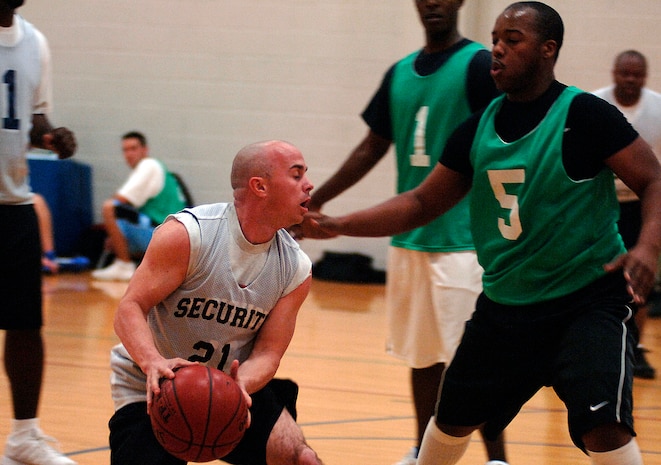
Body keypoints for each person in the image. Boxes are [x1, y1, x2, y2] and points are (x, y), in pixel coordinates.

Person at [302, 3, 661, 465]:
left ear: (548, 50)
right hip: (506, 306)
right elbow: (420, 203)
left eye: (513, 41)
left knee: (603, 426)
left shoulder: (586, 114)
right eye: (495, 38)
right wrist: (337, 224)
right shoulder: (479, 127)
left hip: (587, 299)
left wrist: (648, 246)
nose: (497, 49)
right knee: (449, 420)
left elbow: (653, 179)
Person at [295, 1, 506, 464]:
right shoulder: (399, 72)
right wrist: (318, 199)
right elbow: (372, 145)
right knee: (422, 357)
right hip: (409, 239)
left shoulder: (475, 64)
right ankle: (420, 452)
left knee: (475, 363)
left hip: (465, 241)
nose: (434, 2)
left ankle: (497, 458)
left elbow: (503, 138)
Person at [108, 140, 324, 465]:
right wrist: (152, 361)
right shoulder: (188, 236)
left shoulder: (295, 268)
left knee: (300, 459)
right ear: (259, 186)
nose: (308, 185)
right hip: (152, 385)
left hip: (228, 384)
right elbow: (129, 308)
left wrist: (240, 386)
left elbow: (268, 353)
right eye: (296, 175)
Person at [0, 1, 78, 464]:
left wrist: (51, 137)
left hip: (14, 203)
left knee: (27, 325)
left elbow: (33, 119)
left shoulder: (35, 42)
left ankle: (23, 439)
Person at [593, 50, 661, 379]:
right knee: (592, 279)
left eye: (637, 74)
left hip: (638, 206)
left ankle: (634, 348)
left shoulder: (658, 109)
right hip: (602, 205)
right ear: (614, 73)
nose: (630, 80)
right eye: (625, 74)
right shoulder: (595, 105)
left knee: (639, 282)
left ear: (645, 76)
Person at [92, 131, 187, 282]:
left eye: (133, 148)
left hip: (163, 233)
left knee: (110, 208)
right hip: (174, 235)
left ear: (145, 150)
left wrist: (112, 232)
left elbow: (121, 199)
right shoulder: (159, 168)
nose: (128, 154)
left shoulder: (149, 165)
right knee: (121, 223)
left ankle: (124, 266)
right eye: (125, 150)